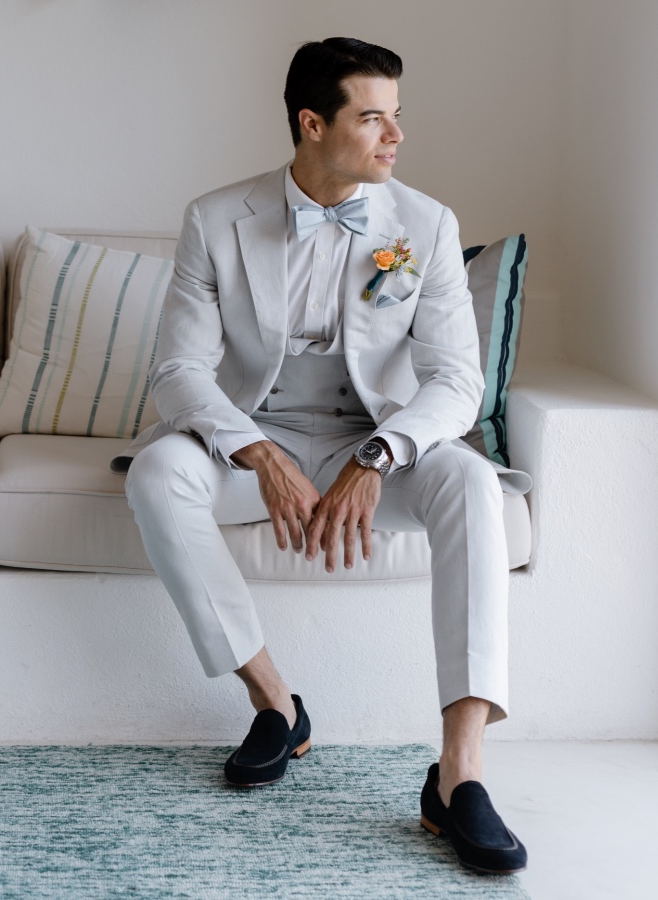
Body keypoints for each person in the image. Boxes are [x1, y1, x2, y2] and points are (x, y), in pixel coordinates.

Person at [111, 37, 529, 874]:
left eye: (396, 116)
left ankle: (460, 775)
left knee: (474, 486)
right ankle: (275, 704)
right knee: (158, 475)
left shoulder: (425, 225)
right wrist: (258, 453)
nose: (395, 136)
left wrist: (375, 458)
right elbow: (179, 372)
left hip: (375, 439)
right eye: (373, 117)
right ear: (312, 124)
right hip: (253, 435)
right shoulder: (215, 218)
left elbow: (455, 381)